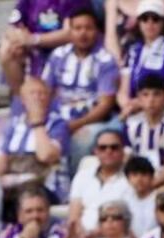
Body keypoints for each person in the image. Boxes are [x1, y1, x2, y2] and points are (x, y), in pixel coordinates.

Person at [41, 7, 121, 168]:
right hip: (57, 118)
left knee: (82, 140)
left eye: (88, 28)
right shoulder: (58, 56)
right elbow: (44, 92)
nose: (83, 33)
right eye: (78, 28)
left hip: (89, 121)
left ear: (97, 31)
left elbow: (105, 105)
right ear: (70, 31)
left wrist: (75, 125)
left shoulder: (106, 61)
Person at [116, 0, 164, 119]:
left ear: (163, 22)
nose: (150, 23)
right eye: (144, 18)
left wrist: (142, 104)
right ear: (138, 22)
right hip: (132, 111)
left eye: (155, 18)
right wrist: (127, 106)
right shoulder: (132, 51)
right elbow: (123, 91)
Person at [123, 75, 164, 188]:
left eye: (156, 94)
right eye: (145, 95)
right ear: (139, 99)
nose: (151, 100)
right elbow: (126, 162)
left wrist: (147, 188)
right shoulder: (131, 124)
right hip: (136, 183)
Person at [69, 128, 132, 238]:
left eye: (114, 147)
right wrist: (81, 235)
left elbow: (126, 219)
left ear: (123, 151)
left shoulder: (130, 180)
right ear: (96, 152)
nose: (108, 151)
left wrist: (94, 235)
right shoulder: (83, 176)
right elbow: (74, 215)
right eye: (103, 148)